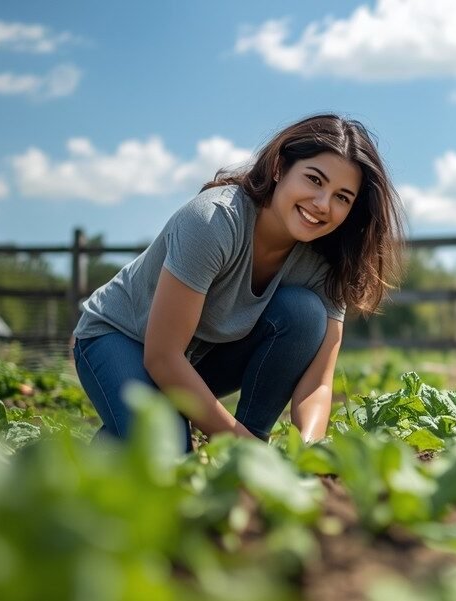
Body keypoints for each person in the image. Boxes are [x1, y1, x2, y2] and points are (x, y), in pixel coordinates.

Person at [71, 114, 404, 450]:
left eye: (342, 197)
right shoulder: (214, 220)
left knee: (304, 312)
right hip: (123, 339)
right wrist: (243, 449)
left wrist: (305, 452)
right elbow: (162, 357)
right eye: (315, 180)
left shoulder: (327, 264)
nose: (322, 205)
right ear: (279, 168)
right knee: (169, 461)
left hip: (198, 358)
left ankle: (233, 448)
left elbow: (318, 384)